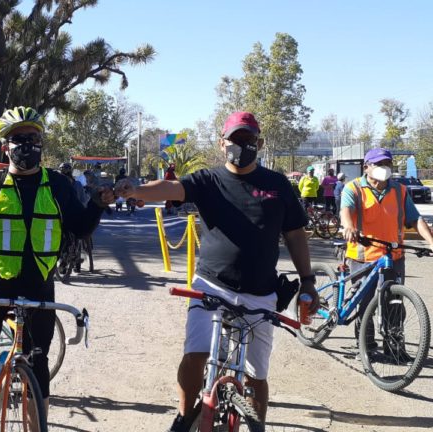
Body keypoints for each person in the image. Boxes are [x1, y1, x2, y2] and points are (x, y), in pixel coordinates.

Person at [115, 111, 319, 430]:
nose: (242, 145)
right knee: (196, 354)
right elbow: (172, 189)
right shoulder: (208, 180)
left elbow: (294, 233)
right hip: (211, 287)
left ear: (259, 143)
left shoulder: (277, 185)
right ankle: (185, 416)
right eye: (235, 139)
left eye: (248, 140)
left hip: (261, 293)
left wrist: (308, 281)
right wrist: (136, 191)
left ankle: (256, 425)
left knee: (256, 375)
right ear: (222, 143)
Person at [0, 106, 114, 432]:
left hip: (39, 284)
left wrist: (98, 204)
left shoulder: (58, 185)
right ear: (6, 146)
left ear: (42, 142)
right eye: (19, 139)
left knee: (37, 363)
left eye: (33, 138)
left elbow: (82, 226)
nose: (27, 145)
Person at [340, 148, 433, 355]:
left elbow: (415, 219)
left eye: (388, 164)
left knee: (394, 302)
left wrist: (430, 241)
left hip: (393, 256)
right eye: (379, 164)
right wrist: (348, 226)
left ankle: (394, 347)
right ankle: (366, 345)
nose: (384, 168)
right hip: (364, 257)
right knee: (364, 304)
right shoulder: (353, 188)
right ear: (366, 167)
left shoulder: (399, 191)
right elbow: (345, 210)